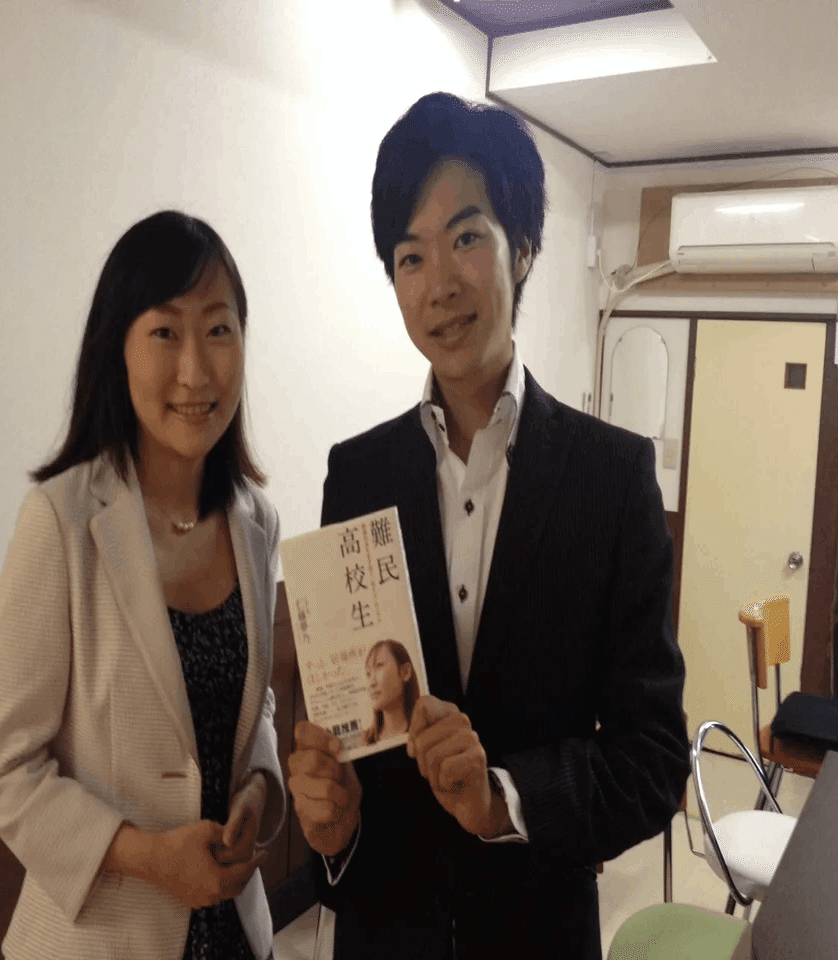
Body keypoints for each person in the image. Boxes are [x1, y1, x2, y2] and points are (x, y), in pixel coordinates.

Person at [287, 93, 690, 959]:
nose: (440, 283)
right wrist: (330, 825)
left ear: (525, 247)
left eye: (467, 237)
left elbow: (654, 759)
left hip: (537, 934)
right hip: (384, 938)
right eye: (410, 256)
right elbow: (352, 739)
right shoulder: (357, 475)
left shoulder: (612, 479)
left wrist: (503, 797)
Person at [0, 211, 285, 960]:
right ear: (117, 346)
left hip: (236, 933)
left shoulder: (256, 521)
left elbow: (253, 703)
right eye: (165, 332)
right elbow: (1, 769)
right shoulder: (62, 521)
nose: (196, 371)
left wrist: (259, 789)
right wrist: (147, 856)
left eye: (219, 330)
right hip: (104, 939)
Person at [361, 640, 421, 746]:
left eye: (379, 667)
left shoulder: (426, 729)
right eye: (368, 674)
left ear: (405, 672)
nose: (372, 683)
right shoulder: (365, 742)